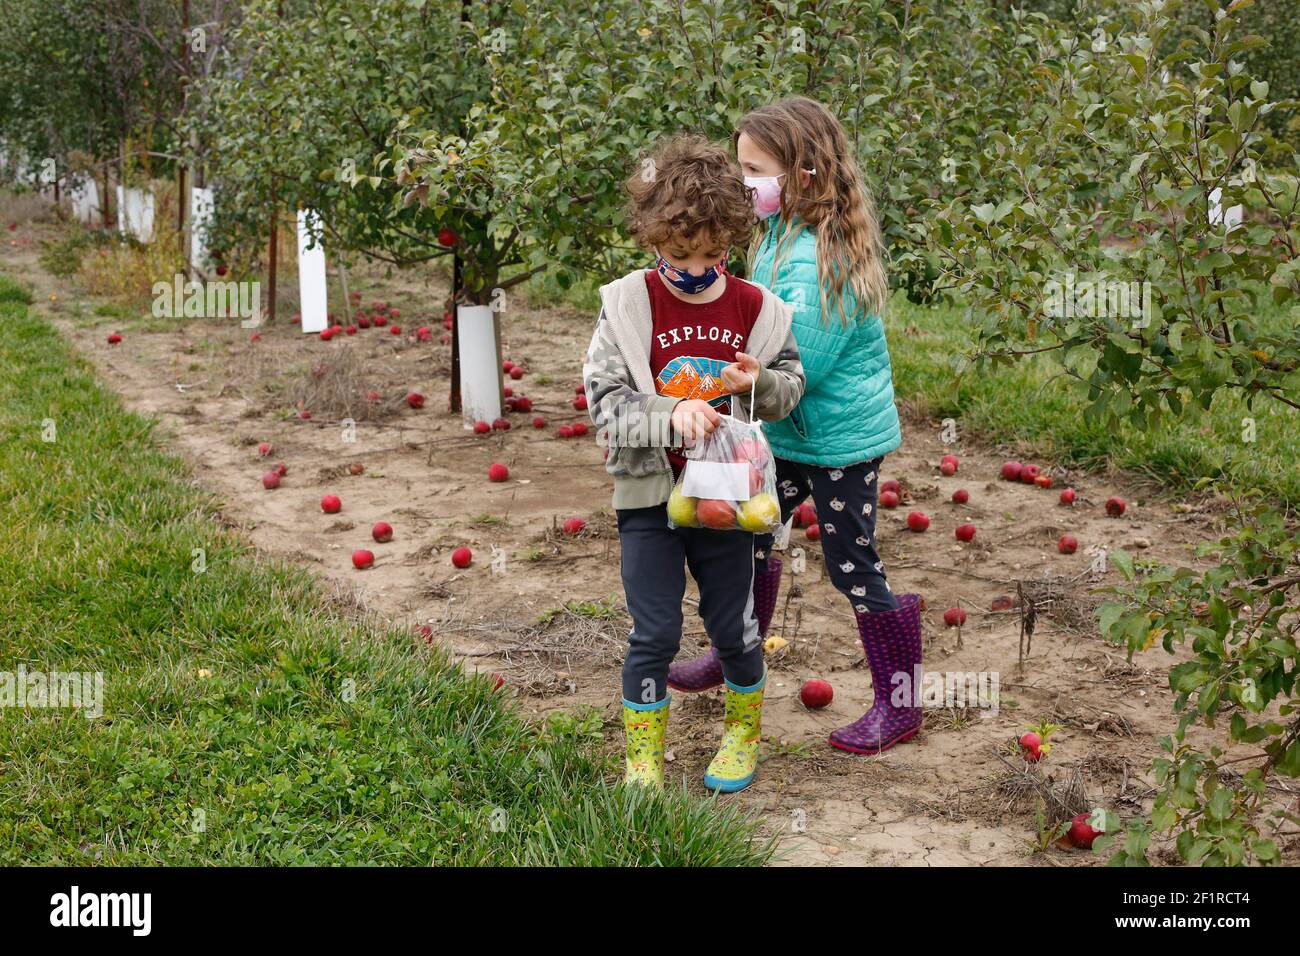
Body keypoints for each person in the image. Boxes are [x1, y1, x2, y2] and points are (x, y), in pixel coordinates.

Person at [668, 97, 924, 756]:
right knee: (746, 540)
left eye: (755, 169)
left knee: (852, 566)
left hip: (837, 443)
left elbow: (791, 371)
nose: (743, 180)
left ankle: (901, 704)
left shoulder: (819, 260)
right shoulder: (779, 235)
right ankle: (733, 653)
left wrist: (721, 382)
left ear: (801, 173)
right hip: (785, 436)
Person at [582, 134, 805, 791]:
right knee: (653, 631)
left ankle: (741, 734)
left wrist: (754, 383)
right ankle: (644, 760)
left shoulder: (757, 310)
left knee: (734, 629)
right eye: (679, 254)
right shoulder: (627, 304)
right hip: (650, 497)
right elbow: (603, 403)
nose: (695, 267)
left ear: (732, 241)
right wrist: (666, 413)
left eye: (712, 254)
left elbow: (790, 390)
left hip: (728, 497)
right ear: (651, 235)